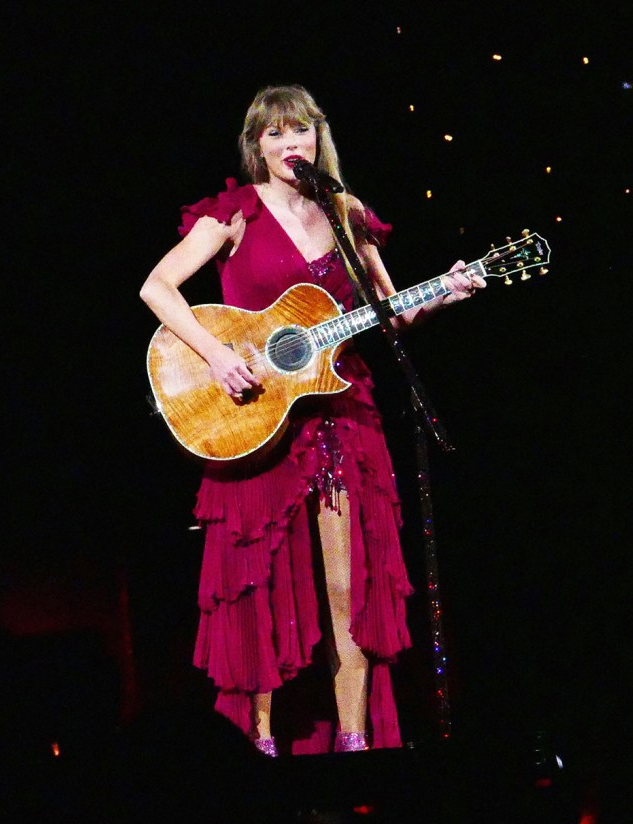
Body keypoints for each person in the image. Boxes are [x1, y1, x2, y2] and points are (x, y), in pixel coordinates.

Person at [140, 85, 485, 756]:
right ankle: (258, 747)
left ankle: (354, 743)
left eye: (300, 130)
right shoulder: (234, 214)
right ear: (257, 146)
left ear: (319, 137)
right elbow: (157, 286)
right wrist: (215, 356)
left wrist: (447, 287)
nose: (289, 142)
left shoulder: (348, 213)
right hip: (254, 418)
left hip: (344, 415)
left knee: (346, 586)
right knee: (260, 582)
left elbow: (396, 314)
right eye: (274, 133)